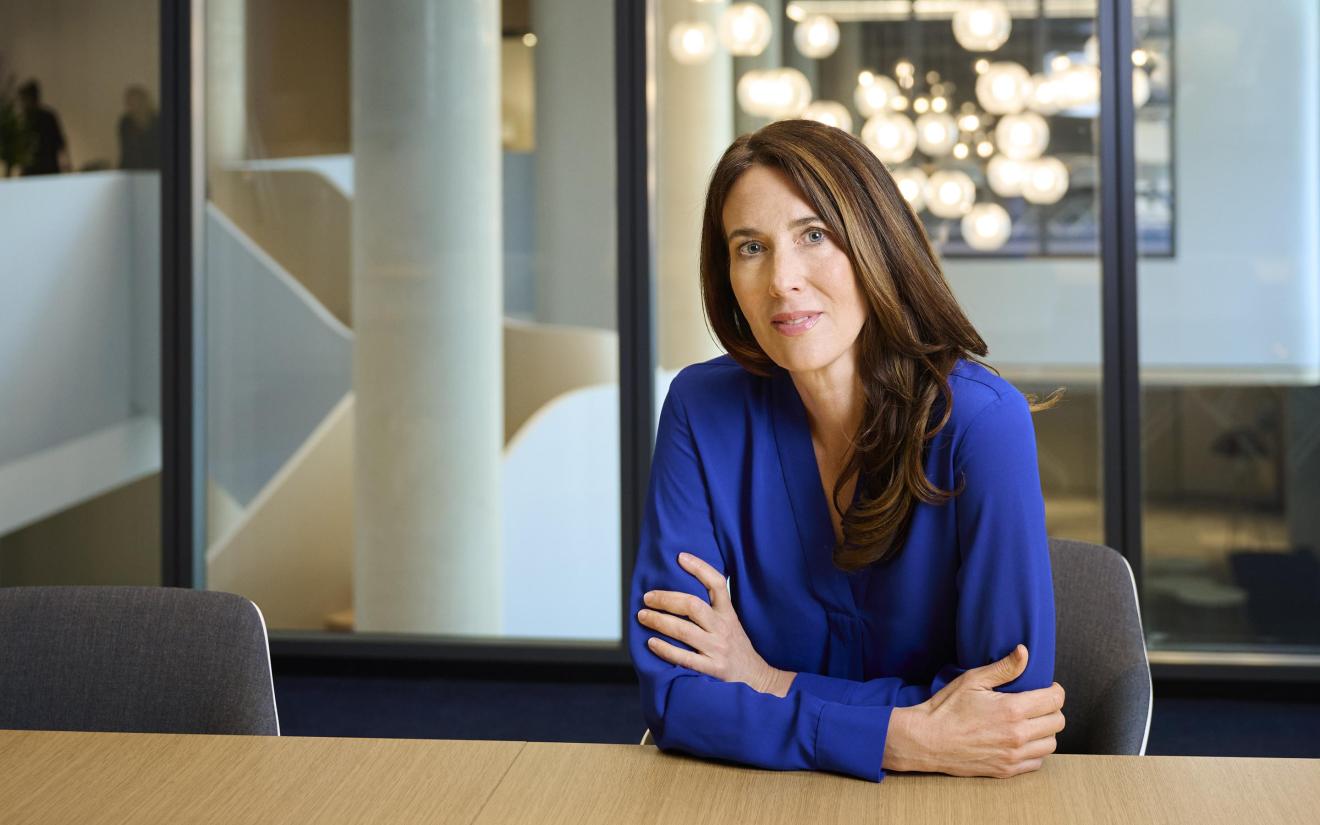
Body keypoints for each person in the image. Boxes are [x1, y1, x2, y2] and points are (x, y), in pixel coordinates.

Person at [629, 119, 1065, 783]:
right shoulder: (699, 408)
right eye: (751, 247)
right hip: (750, 802)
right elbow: (676, 695)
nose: (782, 280)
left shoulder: (983, 423)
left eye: (813, 236)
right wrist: (902, 736)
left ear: (874, 243)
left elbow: (1005, 711)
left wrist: (764, 680)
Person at [17, 80, 68, 175]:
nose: (23, 104)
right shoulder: (26, 119)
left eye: (24, 99)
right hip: (39, 170)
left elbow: (59, 142)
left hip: (45, 169)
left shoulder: (45, 118)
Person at [118, 85, 160, 170]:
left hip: (155, 169)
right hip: (132, 170)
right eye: (131, 103)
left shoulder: (158, 121)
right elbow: (126, 151)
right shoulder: (126, 123)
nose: (135, 106)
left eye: (137, 102)